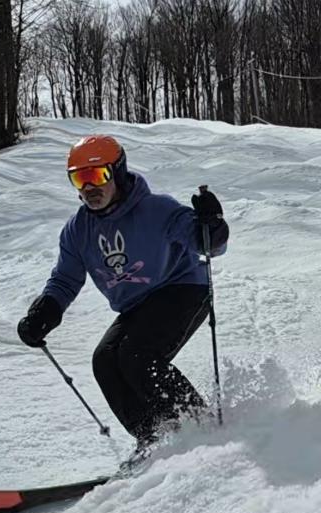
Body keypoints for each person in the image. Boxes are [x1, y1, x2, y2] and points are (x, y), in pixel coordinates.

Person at [17, 134, 229, 454]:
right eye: (79, 178)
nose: (89, 188)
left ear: (117, 172)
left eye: (97, 176)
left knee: (136, 357)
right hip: (136, 306)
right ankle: (154, 440)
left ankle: (198, 426)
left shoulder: (155, 209)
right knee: (105, 362)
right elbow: (65, 279)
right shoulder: (77, 231)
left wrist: (212, 228)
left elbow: (208, 243)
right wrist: (45, 311)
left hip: (183, 289)